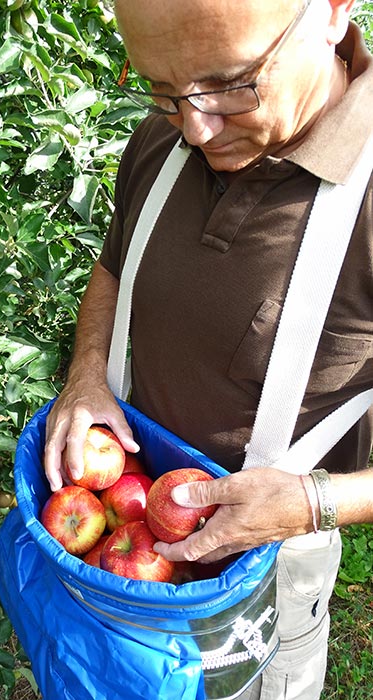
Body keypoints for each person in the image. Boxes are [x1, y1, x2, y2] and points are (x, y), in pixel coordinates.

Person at [44, 0, 373, 697]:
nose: (195, 127)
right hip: (122, 530)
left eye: (233, 83)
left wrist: (313, 503)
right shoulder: (159, 142)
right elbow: (113, 267)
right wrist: (85, 378)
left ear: (334, 11)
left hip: (255, 582)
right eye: (162, 90)